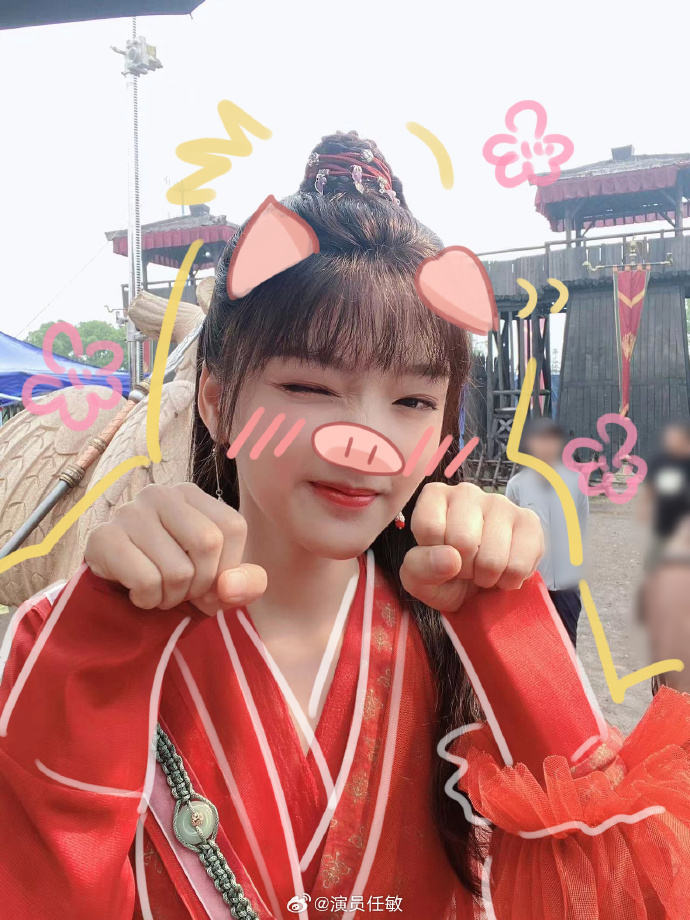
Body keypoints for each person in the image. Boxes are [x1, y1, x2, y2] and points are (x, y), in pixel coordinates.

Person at [1, 132, 690, 920]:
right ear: (217, 401)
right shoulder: (82, 633)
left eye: (413, 401)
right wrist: (97, 646)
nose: (364, 442)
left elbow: (614, 887)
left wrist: (512, 628)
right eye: (309, 386)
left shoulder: (458, 636)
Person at [505, 417, 588, 647]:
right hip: (531, 582)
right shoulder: (517, 485)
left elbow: (581, 524)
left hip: (566, 585)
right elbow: (510, 530)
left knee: (567, 644)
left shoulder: (576, 482)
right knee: (534, 646)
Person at [639, 419, 690, 570]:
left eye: (675, 438)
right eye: (669, 438)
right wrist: (644, 507)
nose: (671, 441)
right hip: (663, 519)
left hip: (684, 520)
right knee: (654, 558)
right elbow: (650, 486)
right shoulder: (659, 461)